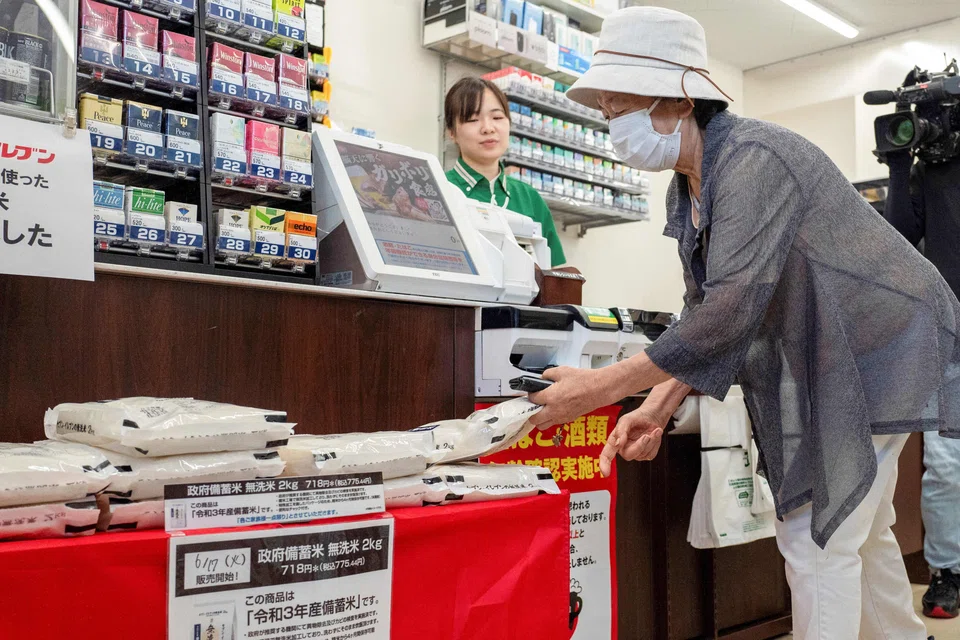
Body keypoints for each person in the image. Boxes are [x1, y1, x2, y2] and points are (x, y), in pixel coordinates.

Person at [527, 6, 958, 639]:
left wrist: (598, 388)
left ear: (678, 100)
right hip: (847, 353)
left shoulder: (753, 160)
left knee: (819, 535)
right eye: (606, 113)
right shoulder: (690, 186)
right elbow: (706, 310)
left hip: (882, 346)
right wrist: (653, 405)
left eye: (621, 109)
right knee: (858, 532)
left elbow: (729, 310)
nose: (613, 128)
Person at [885, 92, 960, 619]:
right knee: (946, 466)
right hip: (947, 340)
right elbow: (898, 237)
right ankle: (947, 570)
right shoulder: (927, 171)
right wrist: (896, 164)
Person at [443, 76, 566, 267]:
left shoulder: (530, 199)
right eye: (473, 119)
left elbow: (555, 275)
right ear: (451, 132)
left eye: (498, 117)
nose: (488, 128)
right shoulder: (439, 189)